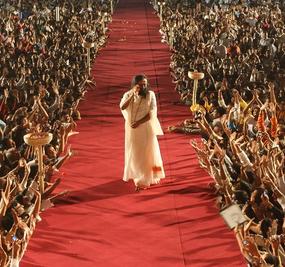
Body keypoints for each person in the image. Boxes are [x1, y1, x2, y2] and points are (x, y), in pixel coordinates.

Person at [120, 74, 165, 191]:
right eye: (140, 85)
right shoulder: (128, 94)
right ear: (135, 85)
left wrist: (139, 122)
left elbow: (152, 114)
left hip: (145, 128)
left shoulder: (151, 95)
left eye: (145, 84)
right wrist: (132, 95)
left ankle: (145, 178)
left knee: (148, 153)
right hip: (132, 130)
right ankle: (138, 174)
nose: (143, 87)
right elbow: (122, 107)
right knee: (135, 153)